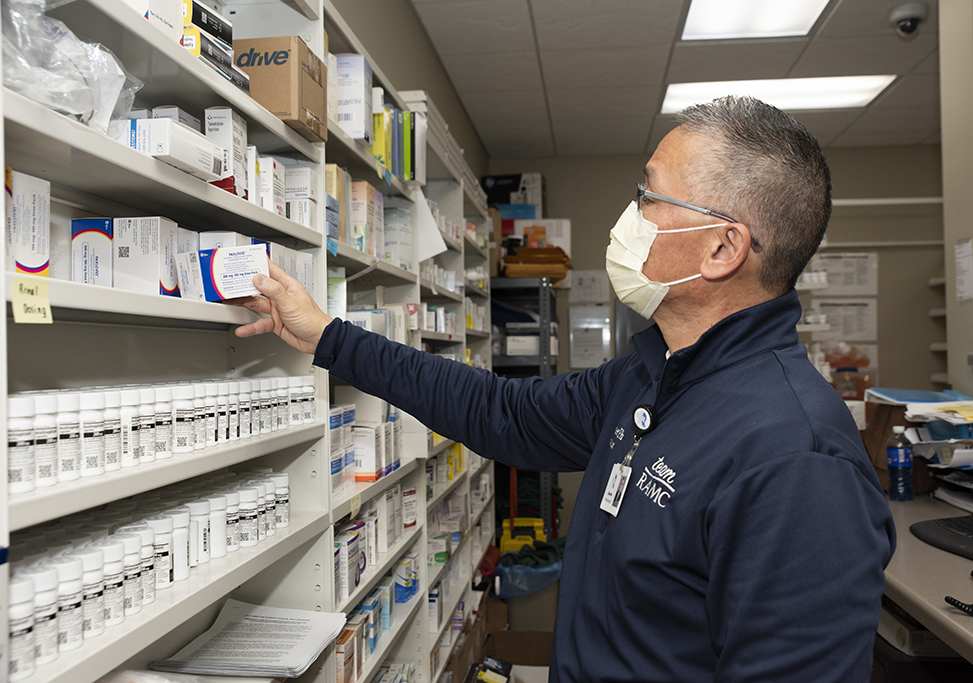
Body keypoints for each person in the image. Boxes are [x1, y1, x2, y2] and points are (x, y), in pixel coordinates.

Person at [233, 95, 896, 683]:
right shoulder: (651, 373)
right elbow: (500, 412)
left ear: (722, 249)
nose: (628, 217)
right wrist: (328, 337)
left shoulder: (797, 459)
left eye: (649, 198)